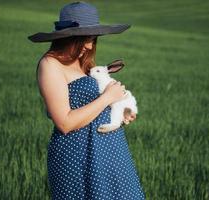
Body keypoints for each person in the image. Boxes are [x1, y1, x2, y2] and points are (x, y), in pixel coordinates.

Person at [28, 2, 145, 199]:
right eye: (85, 39)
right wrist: (108, 97)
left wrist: (118, 113)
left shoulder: (84, 63)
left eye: (93, 39)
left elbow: (94, 107)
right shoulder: (50, 65)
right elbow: (64, 122)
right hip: (78, 153)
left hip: (111, 150)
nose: (90, 45)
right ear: (68, 37)